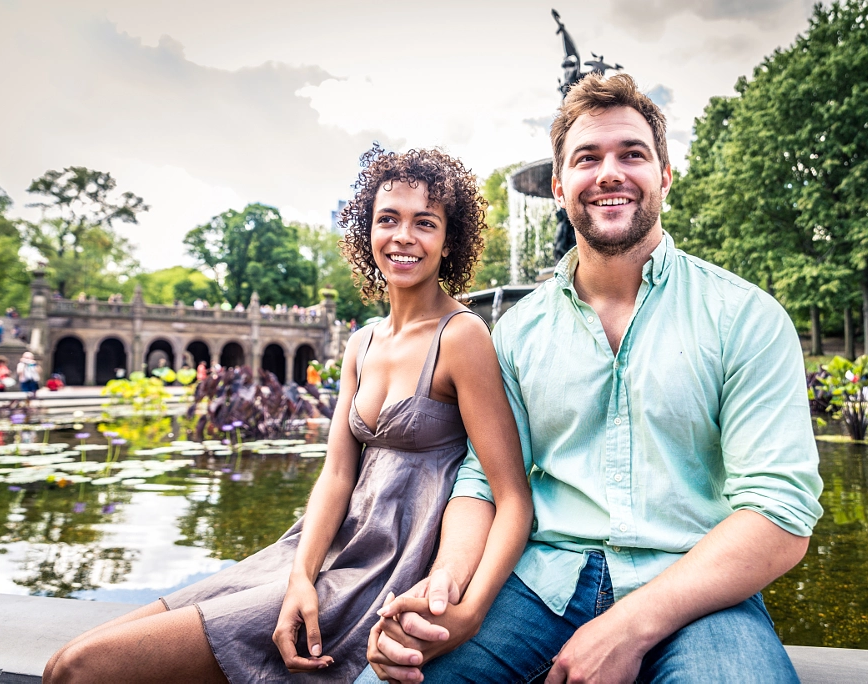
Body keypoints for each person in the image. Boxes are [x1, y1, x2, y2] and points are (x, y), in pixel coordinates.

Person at [364, 73, 823, 683]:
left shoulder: (744, 317)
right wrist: (447, 584)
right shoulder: (517, 332)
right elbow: (483, 481)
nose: (609, 172)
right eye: (587, 158)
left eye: (632, 154)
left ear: (664, 175)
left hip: (697, 590)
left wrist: (628, 625)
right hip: (538, 587)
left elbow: (780, 512)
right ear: (558, 186)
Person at [43, 146, 533, 684]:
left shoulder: (462, 337)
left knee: (82, 669)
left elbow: (510, 495)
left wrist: (471, 609)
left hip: (379, 573)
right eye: (387, 219)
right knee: (67, 660)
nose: (403, 237)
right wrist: (301, 575)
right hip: (313, 553)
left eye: (425, 223)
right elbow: (338, 474)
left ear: (449, 240)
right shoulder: (363, 342)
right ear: (366, 232)